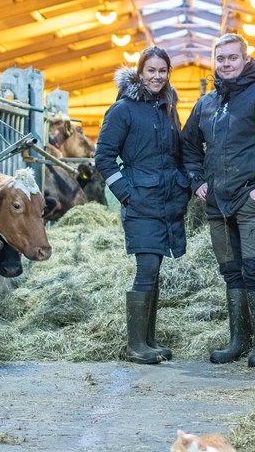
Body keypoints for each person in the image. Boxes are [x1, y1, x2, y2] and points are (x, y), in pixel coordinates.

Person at [182, 33, 255, 367]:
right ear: (214, 61)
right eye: (221, 59)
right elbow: (188, 145)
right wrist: (197, 180)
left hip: (252, 200)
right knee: (231, 272)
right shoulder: (206, 104)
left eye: (233, 57)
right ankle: (237, 341)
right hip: (217, 203)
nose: (226, 64)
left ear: (246, 59)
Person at [95, 46, 190, 364]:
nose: (157, 76)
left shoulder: (168, 106)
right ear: (139, 72)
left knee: (155, 270)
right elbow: (103, 156)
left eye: (162, 71)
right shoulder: (123, 109)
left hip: (166, 200)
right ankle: (135, 345)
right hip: (140, 200)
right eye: (151, 70)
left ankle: (148, 340)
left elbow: (175, 150)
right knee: (146, 269)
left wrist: (184, 183)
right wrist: (125, 192)